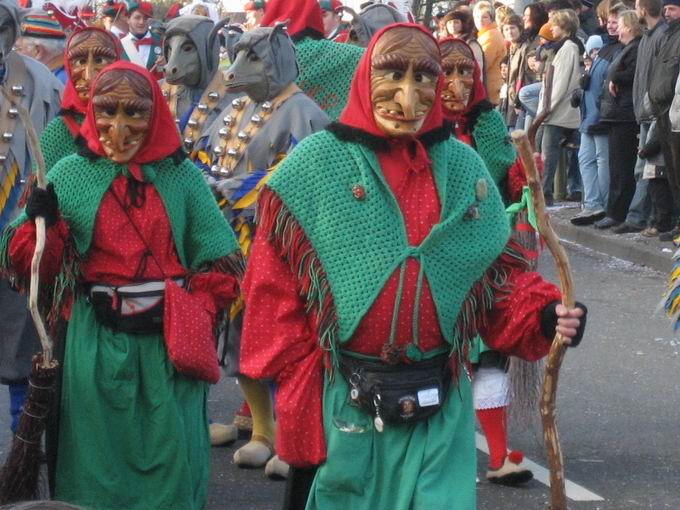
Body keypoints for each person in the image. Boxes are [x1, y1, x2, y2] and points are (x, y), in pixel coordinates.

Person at [239, 22, 587, 510]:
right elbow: (272, 295)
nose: (408, 95)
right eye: (393, 74)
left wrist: (546, 315)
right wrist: (302, 388)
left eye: (424, 77)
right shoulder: (315, 167)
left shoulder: (464, 169)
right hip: (344, 410)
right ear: (365, 76)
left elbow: (495, 282)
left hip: (438, 411)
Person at [1, 62, 242, 510]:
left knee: (171, 460)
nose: (119, 127)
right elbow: (30, 265)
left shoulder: (180, 176)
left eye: (134, 113)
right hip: (94, 347)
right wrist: (42, 223)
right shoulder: (71, 174)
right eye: (107, 111)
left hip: (167, 348)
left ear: (155, 116)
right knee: (95, 461)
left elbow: (221, 261)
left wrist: (197, 310)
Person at [198, 24, 329, 478]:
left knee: (284, 341)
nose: (237, 70)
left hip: (282, 246)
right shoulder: (234, 106)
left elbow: (291, 179)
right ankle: (261, 431)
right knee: (240, 340)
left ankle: (297, 439)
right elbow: (202, 155)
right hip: (232, 243)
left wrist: (223, 190)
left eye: (251, 59)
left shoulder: (303, 113)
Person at [439, 36, 539, 486]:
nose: (457, 82)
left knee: (490, 356)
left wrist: (526, 178)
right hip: (431, 269)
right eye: (447, 71)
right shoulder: (412, 129)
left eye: (466, 72)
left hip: (486, 263)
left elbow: (508, 180)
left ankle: (499, 455)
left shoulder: (491, 125)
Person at [0, 0, 62, 440]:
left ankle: (24, 459)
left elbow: (57, 162)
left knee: (23, 357)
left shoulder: (39, 86)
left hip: (17, 244)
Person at [259, 0, 364, 121]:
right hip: (330, 130)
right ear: (312, 14)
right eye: (321, 15)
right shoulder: (339, 52)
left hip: (272, 128)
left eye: (325, 15)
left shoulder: (261, 54)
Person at [615, 0, 668, 234]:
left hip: (654, 112)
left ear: (643, 10)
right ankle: (642, 217)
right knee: (644, 169)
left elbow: (658, 77)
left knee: (650, 169)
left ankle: (640, 217)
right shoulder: (647, 37)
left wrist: (649, 105)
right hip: (644, 111)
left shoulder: (661, 36)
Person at [39, 27, 120, 173]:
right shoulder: (58, 133)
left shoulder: (136, 124)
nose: (89, 76)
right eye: (80, 61)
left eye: (100, 60)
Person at [571, 6, 624, 225]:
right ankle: (591, 203)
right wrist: (581, 88)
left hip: (603, 115)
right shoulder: (603, 48)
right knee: (586, 160)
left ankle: (601, 204)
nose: (611, 25)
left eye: (615, 22)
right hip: (589, 115)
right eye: (609, 21)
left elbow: (611, 83)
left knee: (603, 161)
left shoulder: (621, 49)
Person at [593, 10, 641, 230]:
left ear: (629, 27)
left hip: (625, 114)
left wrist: (615, 77)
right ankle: (614, 211)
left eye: (620, 25)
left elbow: (633, 74)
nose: (617, 30)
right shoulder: (624, 48)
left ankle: (618, 212)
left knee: (622, 166)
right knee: (615, 166)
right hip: (616, 113)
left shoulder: (636, 48)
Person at [536, 9, 584, 205]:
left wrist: (545, 110)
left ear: (564, 27)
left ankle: (545, 193)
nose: (551, 28)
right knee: (542, 149)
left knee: (548, 153)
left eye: (554, 24)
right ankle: (542, 191)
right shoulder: (565, 47)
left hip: (557, 111)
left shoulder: (568, 48)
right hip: (556, 109)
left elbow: (560, 83)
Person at [648, 0, 680, 242]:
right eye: (666, 8)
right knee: (672, 175)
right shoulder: (670, 36)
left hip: (675, 114)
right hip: (665, 114)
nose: (666, 13)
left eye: (672, 9)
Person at [14, 14, 67, 84]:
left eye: (18, 49)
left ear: (37, 51)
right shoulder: (62, 72)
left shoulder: (57, 81)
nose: (15, 54)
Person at [442, 9, 487, 87]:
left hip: (467, 86)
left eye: (456, 22)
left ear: (462, 24)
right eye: (449, 23)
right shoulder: (445, 44)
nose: (452, 25)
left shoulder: (471, 43)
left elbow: (478, 71)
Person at [474, 1, 506, 104]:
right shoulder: (485, 34)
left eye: (484, 17)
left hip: (490, 91)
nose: (480, 21)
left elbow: (482, 64)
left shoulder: (491, 36)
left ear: (491, 18)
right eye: (477, 17)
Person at [120, 1, 162, 77]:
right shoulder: (119, 45)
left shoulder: (161, 41)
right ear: (128, 19)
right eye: (137, 17)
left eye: (145, 18)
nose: (141, 22)